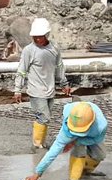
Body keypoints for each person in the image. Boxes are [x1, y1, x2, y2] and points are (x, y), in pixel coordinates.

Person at [22, 101, 108, 180]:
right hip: (72, 124)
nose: (77, 134)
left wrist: (75, 142)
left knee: (100, 155)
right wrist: (37, 173)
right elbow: (53, 152)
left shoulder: (100, 126)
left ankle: (85, 170)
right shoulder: (67, 121)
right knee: (79, 151)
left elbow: (96, 139)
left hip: (91, 133)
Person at [13, 17, 70, 152]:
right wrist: (17, 90)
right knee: (44, 117)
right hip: (36, 90)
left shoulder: (54, 48)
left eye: (40, 37)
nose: (37, 39)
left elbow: (59, 66)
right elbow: (22, 70)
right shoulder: (29, 50)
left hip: (50, 89)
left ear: (47, 35)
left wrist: (64, 83)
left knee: (45, 118)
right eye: (35, 37)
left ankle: (42, 143)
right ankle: (37, 144)